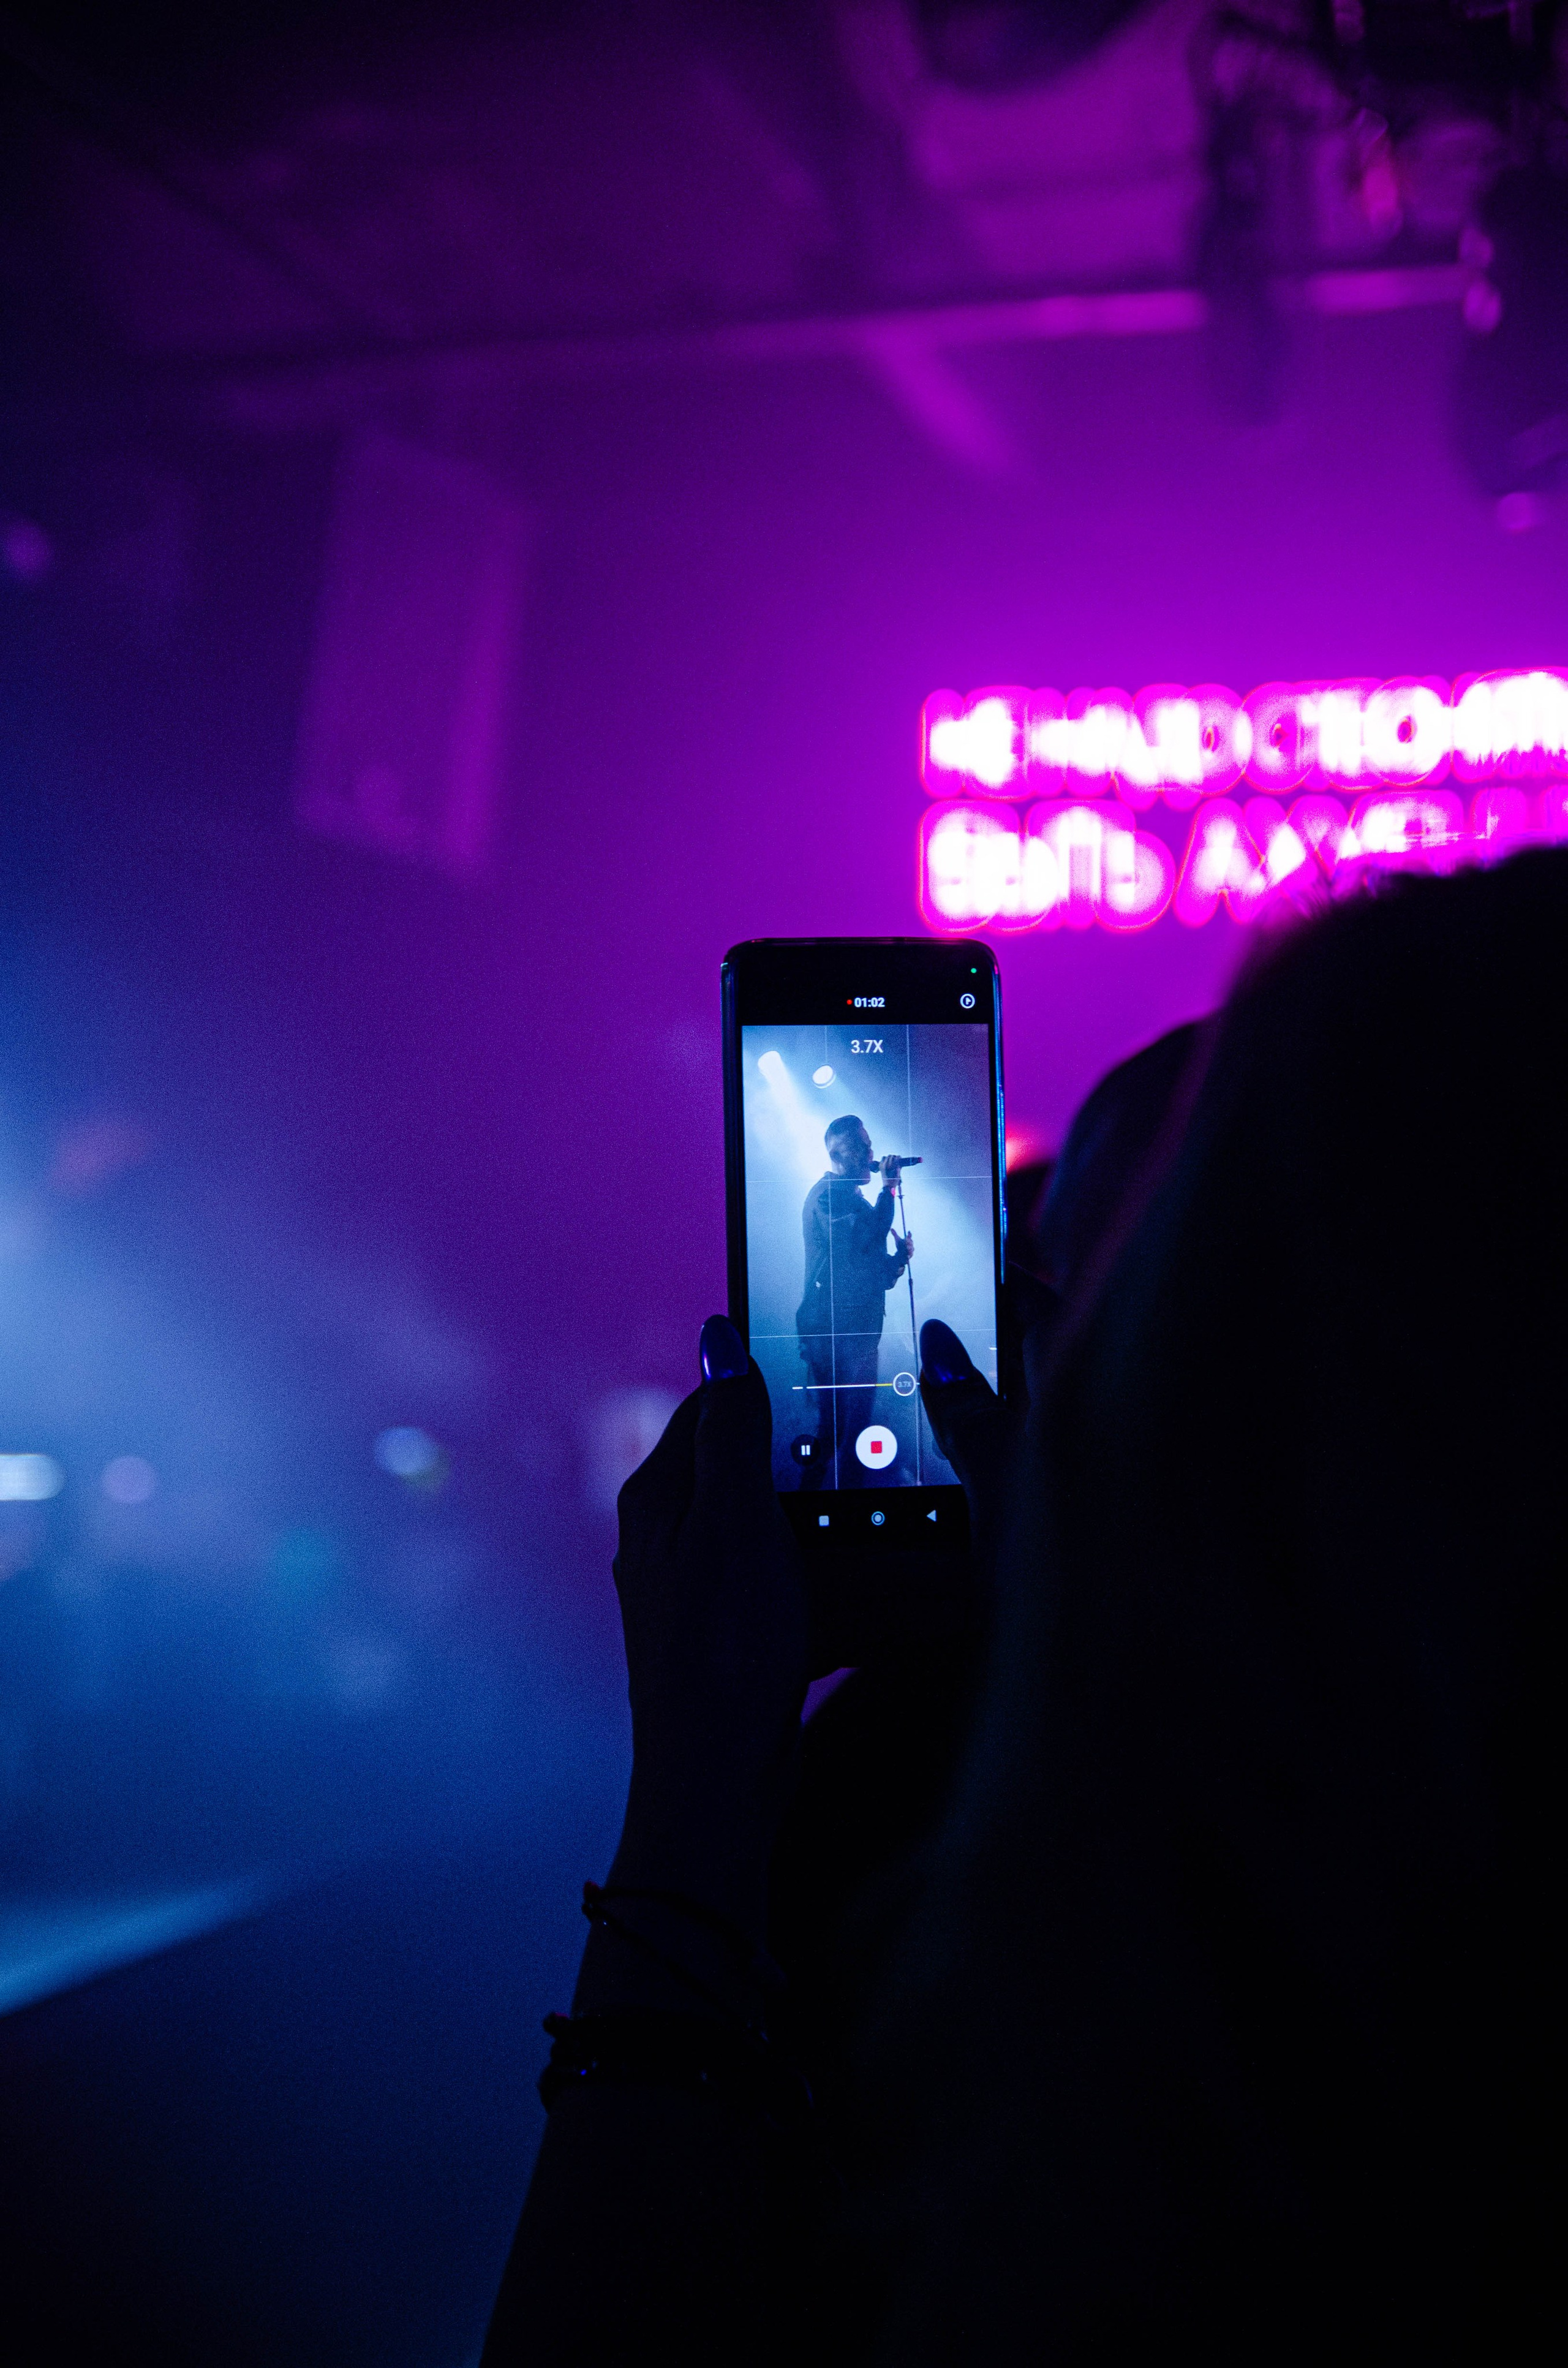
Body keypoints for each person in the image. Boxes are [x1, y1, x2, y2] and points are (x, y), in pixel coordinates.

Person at [483, 848, 1564, 2364]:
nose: (1036, 1360)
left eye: (1102, 1285)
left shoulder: (954, 1809)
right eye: (1032, 1293)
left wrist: (688, 1810)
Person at [794, 1117, 913, 1487]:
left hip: (858, 1328)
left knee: (846, 1427)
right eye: (860, 1148)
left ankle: (833, 1504)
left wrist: (897, 1260)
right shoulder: (828, 1198)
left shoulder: (853, 1201)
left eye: (869, 1146)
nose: (871, 1155)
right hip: (832, 1330)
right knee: (843, 1427)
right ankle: (820, 1508)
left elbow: (866, 1273)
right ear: (836, 1154)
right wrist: (889, 1190)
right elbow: (863, 1238)